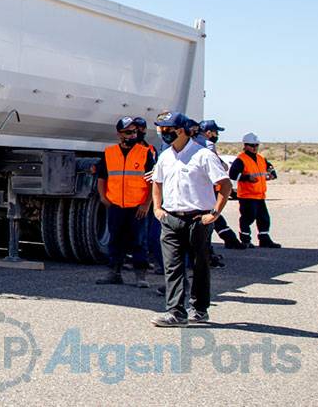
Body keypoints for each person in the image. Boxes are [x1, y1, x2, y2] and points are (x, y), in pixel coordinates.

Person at [150, 112, 232, 327]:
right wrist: (158, 208)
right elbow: (156, 182)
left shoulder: (203, 155)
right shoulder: (165, 156)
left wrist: (214, 213)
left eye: (167, 130)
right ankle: (176, 312)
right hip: (171, 219)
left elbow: (225, 185)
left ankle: (199, 308)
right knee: (172, 266)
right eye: (161, 130)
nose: (163, 133)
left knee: (199, 265)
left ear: (181, 130)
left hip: (198, 219)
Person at [93, 117, 156, 287]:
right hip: (116, 205)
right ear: (119, 134)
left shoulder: (144, 153)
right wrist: (103, 197)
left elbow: (152, 181)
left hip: (137, 207)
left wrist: (146, 203)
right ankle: (114, 273)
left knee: (139, 241)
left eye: (135, 131)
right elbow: (101, 177)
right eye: (128, 132)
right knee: (115, 240)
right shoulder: (110, 153)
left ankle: (140, 276)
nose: (133, 135)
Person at [198, 120, 246, 251]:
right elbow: (218, 164)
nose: (217, 135)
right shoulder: (208, 145)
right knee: (210, 215)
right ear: (208, 132)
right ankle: (213, 248)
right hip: (206, 187)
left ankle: (229, 238)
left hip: (199, 187)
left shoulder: (191, 143)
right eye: (215, 132)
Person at [230, 133, 281, 248]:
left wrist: (272, 174)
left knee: (264, 218)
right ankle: (245, 239)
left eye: (256, 145)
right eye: (252, 145)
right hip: (247, 196)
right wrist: (247, 178)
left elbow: (270, 167)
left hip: (260, 195)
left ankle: (264, 239)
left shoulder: (261, 158)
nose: (255, 148)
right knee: (248, 217)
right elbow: (232, 175)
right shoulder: (241, 160)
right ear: (245, 146)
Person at [133, 117, 165, 274]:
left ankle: (145, 261)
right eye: (135, 128)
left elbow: (155, 174)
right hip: (131, 197)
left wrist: (149, 201)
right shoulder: (127, 149)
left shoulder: (150, 150)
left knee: (146, 233)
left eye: (140, 128)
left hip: (147, 197)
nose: (138, 131)